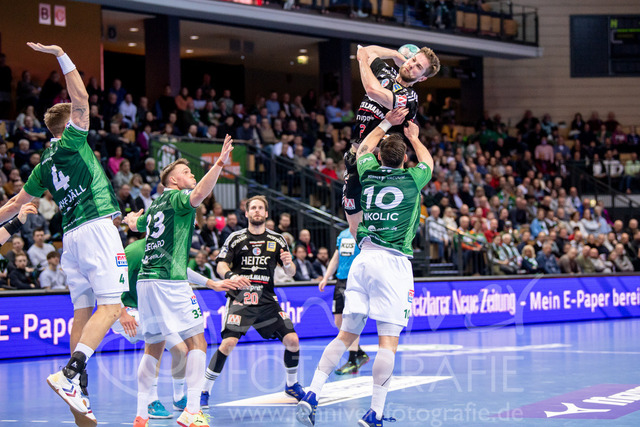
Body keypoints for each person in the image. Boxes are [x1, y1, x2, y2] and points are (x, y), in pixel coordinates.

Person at [0, 43, 129, 425]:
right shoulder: (74, 142)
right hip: (94, 228)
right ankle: (71, 375)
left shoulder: (43, 165)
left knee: (83, 310)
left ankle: (81, 390)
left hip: (70, 239)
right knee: (113, 306)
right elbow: (82, 96)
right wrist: (60, 54)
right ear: (70, 123)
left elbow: (11, 205)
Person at [297, 109, 434, 427]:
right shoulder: (413, 179)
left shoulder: (368, 170)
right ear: (403, 160)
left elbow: (362, 150)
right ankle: (375, 412)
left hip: (362, 260)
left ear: (379, 156)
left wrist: (385, 123)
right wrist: (414, 137)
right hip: (393, 262)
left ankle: (313, 393)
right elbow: (428, 162)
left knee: (346, 334)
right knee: (388, 341)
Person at [123, 134, 234, 427]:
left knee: (153, 346)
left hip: (146, 282)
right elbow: (199, 193)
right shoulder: (176, 198)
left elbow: (137, 224)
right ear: (173, 181)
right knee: (198, 341)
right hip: (169, 282)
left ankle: (141, 412)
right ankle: (192, 411)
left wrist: (127, 220)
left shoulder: (156, 204)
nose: (192, 174)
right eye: (186, 172)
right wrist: (220, 163)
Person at [109, 237, 240, 421]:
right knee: (158, 341)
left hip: (150, 309)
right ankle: (149, 402)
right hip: (126, 311)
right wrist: (122, 312)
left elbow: (180, 270)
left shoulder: (165, 247)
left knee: (181, 350)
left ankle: (178, 398)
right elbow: (112, 280)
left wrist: (210, 283)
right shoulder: (134, 251)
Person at [200, 196, 304, 408]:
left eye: (260, 208)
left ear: (266, 214)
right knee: (228, 344)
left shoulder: (277, 240)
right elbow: (220, 264)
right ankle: (204, 390)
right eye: (253, 208)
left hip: (267, 301)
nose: (257, 211)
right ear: (246, 214)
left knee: (293, 341)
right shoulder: (235, 238)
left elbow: (290, 272)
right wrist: (230, 275)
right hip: (241, 299)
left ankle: (291, 385)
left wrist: (289, 263)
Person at [342, 44, 440, 237]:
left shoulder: (410, 99)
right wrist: (395, 54)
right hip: (355, 157)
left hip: (379, 165)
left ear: (422, 78)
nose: (412, 66)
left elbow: (372, 90)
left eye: (418, 67)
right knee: (353, 227)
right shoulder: (385, 71)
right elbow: (366, 49)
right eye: (413, 60)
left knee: (375, 227)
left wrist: (363, 61)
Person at [318, 227, 370, 375]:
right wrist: (326, 277)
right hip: (340, 280)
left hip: (356, 280)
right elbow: (336, 257)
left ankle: (353, 361)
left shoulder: (364, 233)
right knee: (338, 321)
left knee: (352, 320)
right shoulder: (342, 234)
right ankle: (359, 353)